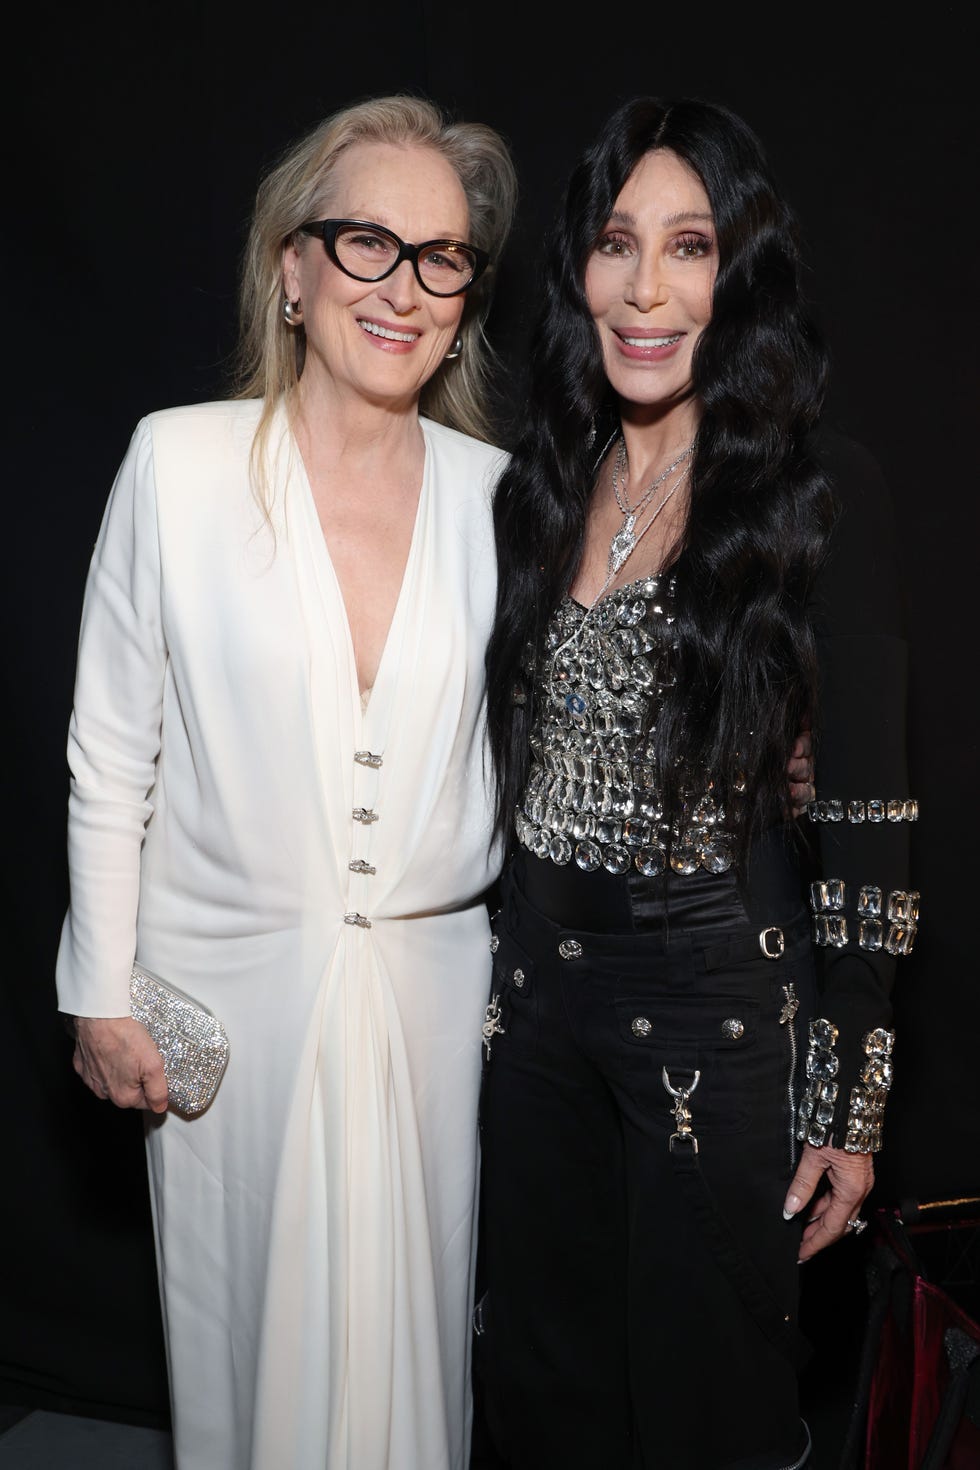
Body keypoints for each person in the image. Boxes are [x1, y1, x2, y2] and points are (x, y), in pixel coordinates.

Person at [54, 94, 519, 1470]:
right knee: (244, 1357)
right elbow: (109, 745)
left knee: (417, 1355)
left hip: (434, 1003)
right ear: (292, 268)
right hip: (227, 1006)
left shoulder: (506, 496)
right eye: (366, 242)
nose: (404, 286)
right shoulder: (179, 463)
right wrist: (99, 983)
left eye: (440, 257)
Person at [477, 95, 914, 1470]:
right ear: (581, 271)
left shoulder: (813, 494)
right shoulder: (538, 487)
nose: (647, 288)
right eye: (618, 243)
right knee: (542, 1400)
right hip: (537, 1002)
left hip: (716, 1013)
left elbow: (868, 818)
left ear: (743, 275)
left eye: (690, 246)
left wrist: (849, 1094)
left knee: (702, 1410)